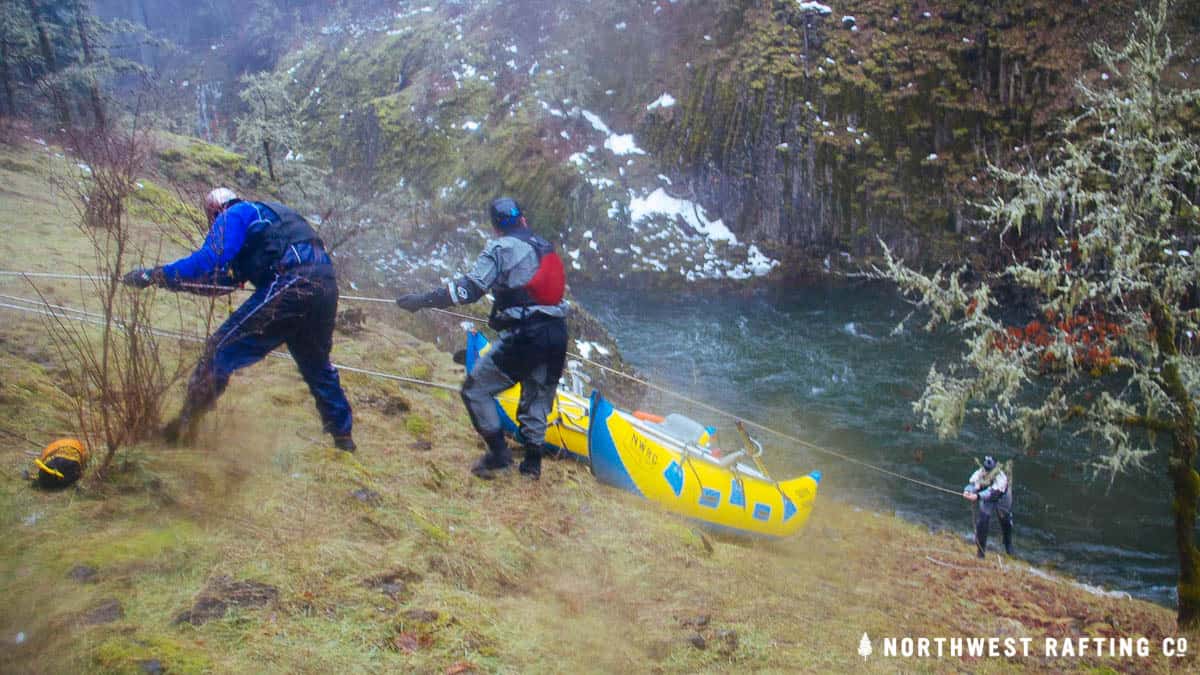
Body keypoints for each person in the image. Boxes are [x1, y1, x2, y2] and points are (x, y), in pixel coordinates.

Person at [122, 188, 355, 451]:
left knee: (220, 349)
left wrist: (154, 275)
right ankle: (343, 440)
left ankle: (184, 427)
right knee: (316, 364)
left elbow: (210, 259)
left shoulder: (235, 213)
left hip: (292, 281)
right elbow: (219, 284)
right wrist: (167, 283)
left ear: (214, 211)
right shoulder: (267, 221)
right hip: (325, 286)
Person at [395, 197, 567, 480]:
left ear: (496, 228)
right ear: (523, 219)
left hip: (526, 334)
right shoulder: (545, 246)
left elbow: (469, 289)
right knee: (536, 398)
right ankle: (531, 468)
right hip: (557, 333)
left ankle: (499, 456)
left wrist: (421, 300)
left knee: (475, 390)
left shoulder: (500, 248)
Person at [963, 455, 1014, 558]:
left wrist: (977, 496)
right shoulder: (980, 473)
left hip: (1002, 498)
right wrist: (968, 491)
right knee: (982, 522)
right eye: (985, 469)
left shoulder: (1001, 478)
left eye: (989, 470)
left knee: (1005, 521)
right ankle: (981, 552)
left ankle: (1008, 543)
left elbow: (993, 493)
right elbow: (973, 483)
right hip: (986, 499)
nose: (986, 472)